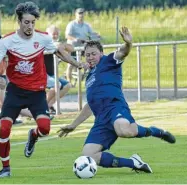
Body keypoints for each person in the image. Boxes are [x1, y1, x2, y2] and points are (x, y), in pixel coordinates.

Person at [57, 27, 176, 173]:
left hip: (115, 108)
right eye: (87, 55)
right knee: (89, 155)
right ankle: (133, 163)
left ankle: (155, 132)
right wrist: (73, 125)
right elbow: (90, 106)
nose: (90, 57)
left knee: (124, 130)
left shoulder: (108, 61)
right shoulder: (89, 77)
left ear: (101, 53)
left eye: (93, 54)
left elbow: (123, 52)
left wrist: (128, 44)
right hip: (101, 119)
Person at [0, 2, 81, 178]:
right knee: (4, 128)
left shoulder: (43, 38)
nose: (30, 26)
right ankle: (5, 168)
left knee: (45, 128)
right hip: (15, 91)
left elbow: (60, 52)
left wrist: (77, 64)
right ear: (19, 21)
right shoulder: (7, 40)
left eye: (32, 22)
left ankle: (33, 135)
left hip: (37, 92)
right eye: (26, 22)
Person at [65, 8, 100, 85]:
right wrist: (76, 39)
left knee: (90, 60)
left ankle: (85, 77)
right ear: (76, 14)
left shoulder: (86, 25)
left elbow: (91, 34)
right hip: (73, 47)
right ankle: (69, 82)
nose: (81, 15)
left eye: (82, 13)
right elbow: (67, 35)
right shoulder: (71, 24)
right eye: (79, 13)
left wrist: (96, 35)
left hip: (82, 47)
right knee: (70, 64)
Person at [45, 25, 72, 114]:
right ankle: (43, 106)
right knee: (57, 84)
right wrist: (59, 46)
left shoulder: (57, 43)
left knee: (67, 85)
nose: (55, 36)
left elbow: (72, 48)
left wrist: (63, 45)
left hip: (51, 74)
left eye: (57, 34)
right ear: (47, 34)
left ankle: (49, 106)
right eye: (53, 34)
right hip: (42, 74)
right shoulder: (43, 43)